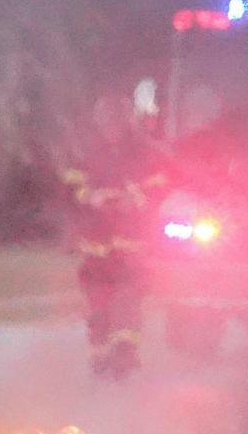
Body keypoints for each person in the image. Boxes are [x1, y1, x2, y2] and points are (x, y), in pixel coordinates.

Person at [62, 103, 168, 379]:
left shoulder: (143, 153)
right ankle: (100, 357)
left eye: (114, 124)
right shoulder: (88, 153)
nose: (110, 130)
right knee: (99, 309)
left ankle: (124, 355)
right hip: (97, 248)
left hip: (131, 247)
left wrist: (137, 199)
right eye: (105, 124)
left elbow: (158, 187)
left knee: (128, 304)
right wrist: (90, 197)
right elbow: (72, 186)